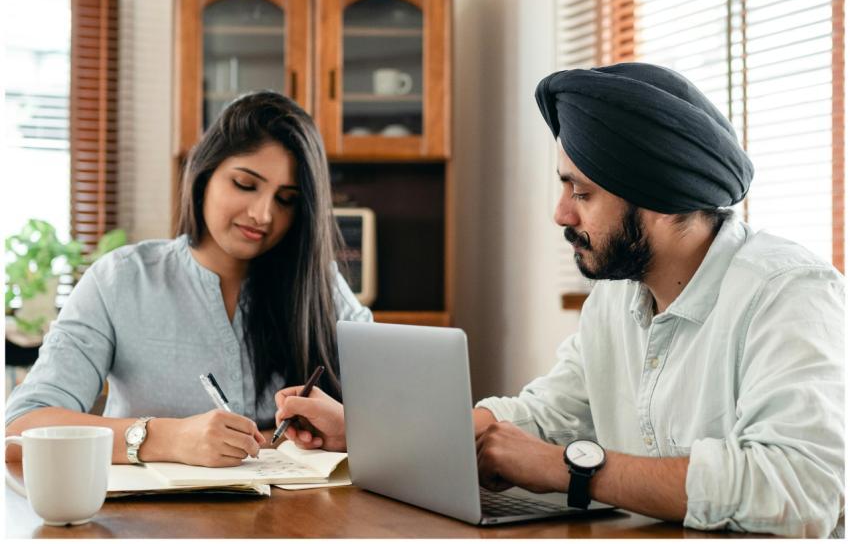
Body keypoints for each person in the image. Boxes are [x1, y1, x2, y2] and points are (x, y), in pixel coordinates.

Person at [273, 63, 844, 537]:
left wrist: (569, 471)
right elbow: (547, 417)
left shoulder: (790, 293)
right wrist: (374, 434)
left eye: (583, 193)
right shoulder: (615, 300)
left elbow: (804, 486)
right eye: (564, 185)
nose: (561, 213)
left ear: (663, 199)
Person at [5, 91, 372, 467]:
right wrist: (167, 438)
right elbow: (20, 430)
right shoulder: (121, 280)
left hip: (301, 520)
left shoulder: (321, 287)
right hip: (158, 522)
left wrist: (352, 428)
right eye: (246, 184)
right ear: (204, 173)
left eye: (286, 199)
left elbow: (410, 415)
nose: (263, 214)